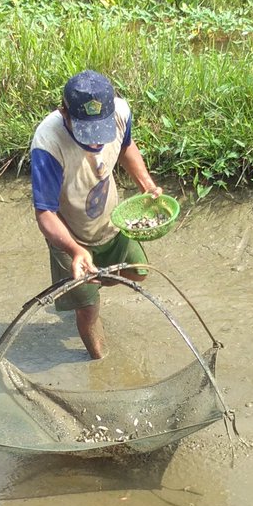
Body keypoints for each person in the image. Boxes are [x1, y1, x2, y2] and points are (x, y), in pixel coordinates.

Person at [30, 70, 163, 360]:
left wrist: (146, 185)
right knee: (89, 309)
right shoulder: (47, 144)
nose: (94, 143)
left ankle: (93, 283)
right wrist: (76, 250)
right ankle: (98, 360)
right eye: (85, 132)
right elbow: (45, 214)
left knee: (138, 272)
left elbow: (126, 146)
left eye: (98, 132)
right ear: (63, 112)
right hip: (70, 233)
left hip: (109, 220)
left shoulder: (120, 112)